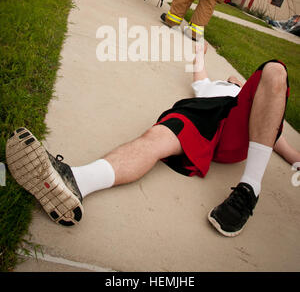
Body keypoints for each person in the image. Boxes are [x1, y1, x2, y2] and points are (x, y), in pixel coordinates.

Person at [6, 42, 299, 236]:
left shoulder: (262, 109)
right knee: (153, 140)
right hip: (202, 114)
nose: (236, 79)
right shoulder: (211, 86)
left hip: (238, 130)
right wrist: (200, 52)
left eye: (241, 80)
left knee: (275, 70)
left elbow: (284, 146)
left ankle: (249, 191)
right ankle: (76, 181)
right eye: (234, 79)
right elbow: (198, 71)